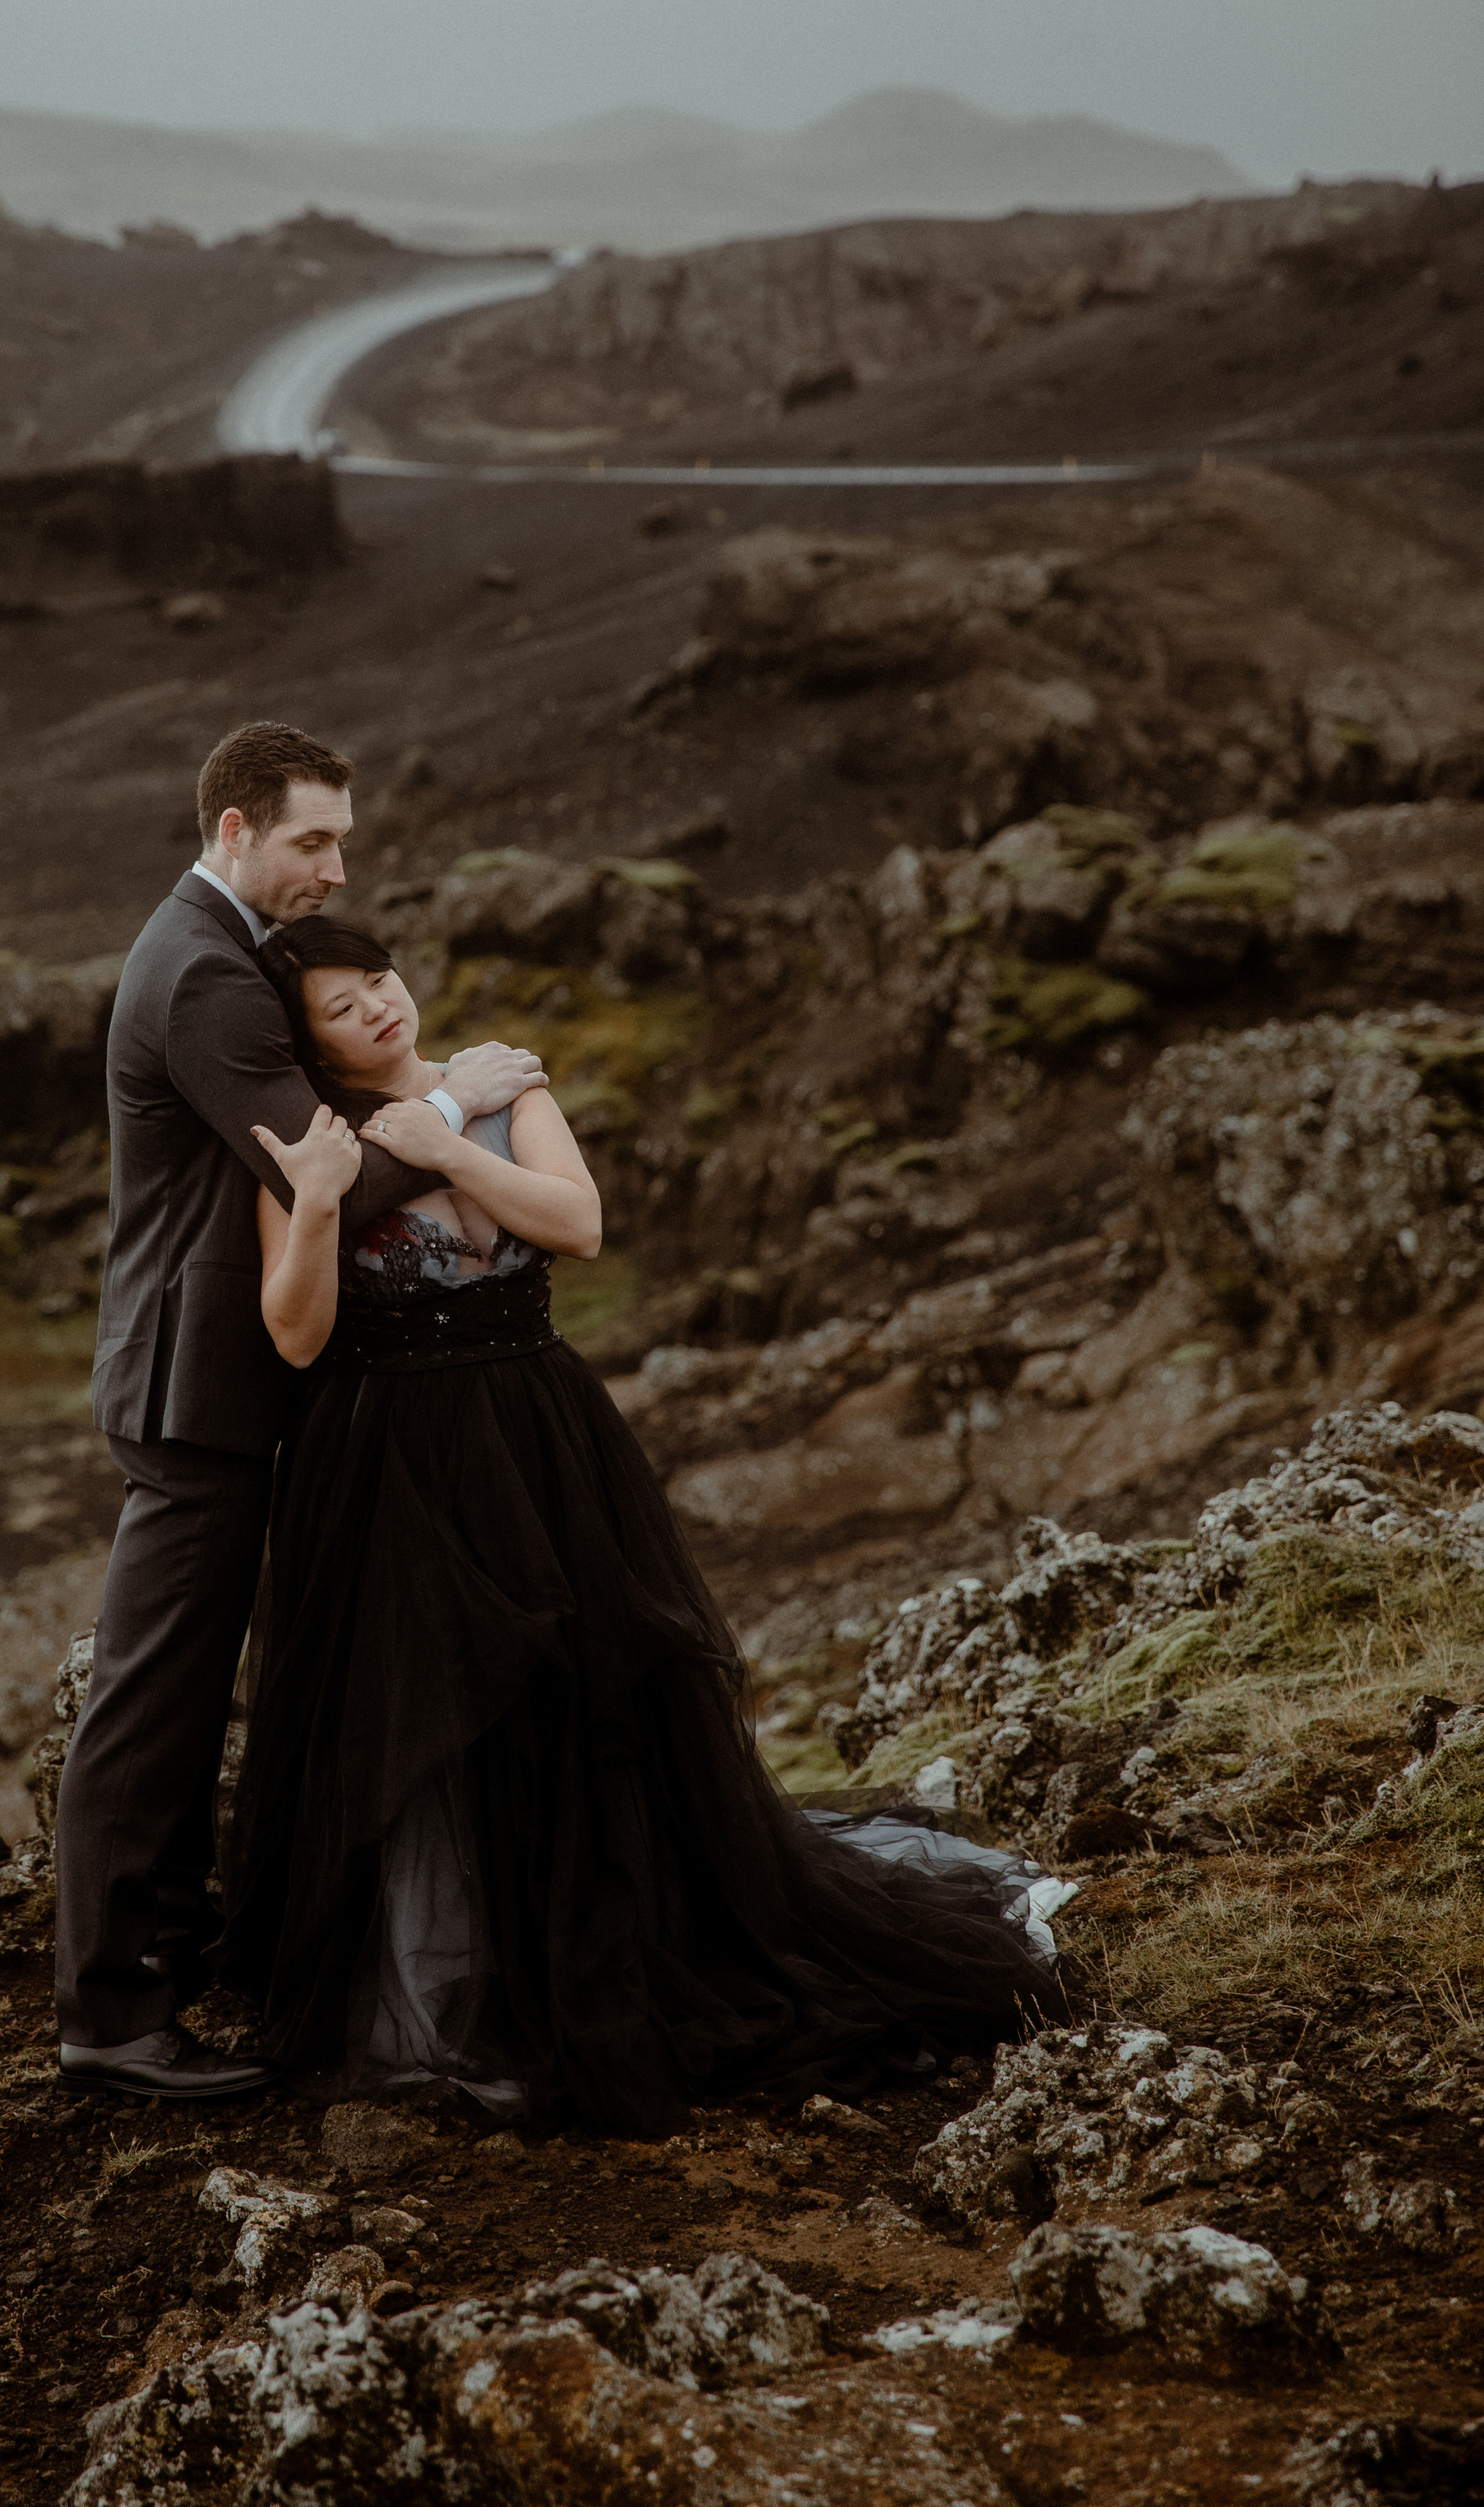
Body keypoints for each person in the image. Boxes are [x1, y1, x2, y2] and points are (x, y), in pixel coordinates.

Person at [219, 915, 1068, 2135]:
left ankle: (614, 1936)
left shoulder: (500, 1083)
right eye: (339, 1008)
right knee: (437, 1716)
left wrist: (446, 1134)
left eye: (380, 983)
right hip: (388, 1465)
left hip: (541, 1435)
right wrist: (314, 1205)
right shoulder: (304, 1143)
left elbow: (577, 1224)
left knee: (587, 1690)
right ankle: (460, 1979)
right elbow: (294, 1335)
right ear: (304, 1039)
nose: (376, 1012)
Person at [54, 723, 547, 2102]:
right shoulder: (206, 976)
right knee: (155, 1699)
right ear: (231, 832)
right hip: (195, 1387)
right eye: (311, 840)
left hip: (226, 1376)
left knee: (191, 1685)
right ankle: (110, 2017)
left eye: (343, 840)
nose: (337, 867)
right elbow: (319, 1179)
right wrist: (459, 1101)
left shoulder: (216, 950)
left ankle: (167, 1961)